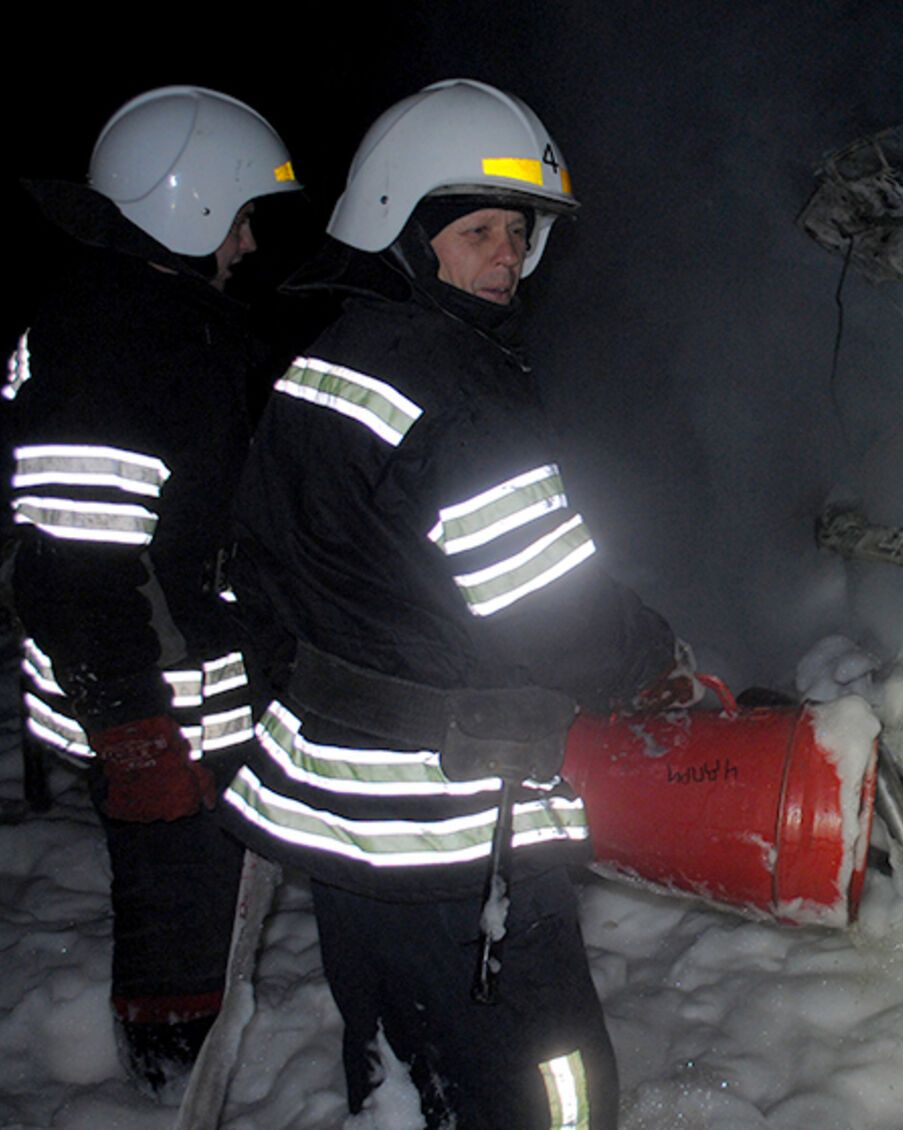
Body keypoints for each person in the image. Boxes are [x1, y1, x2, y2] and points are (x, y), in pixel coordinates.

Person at [218, 79, 679, 1130]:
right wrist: (652, 650)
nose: (506, 255)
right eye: (476, 230)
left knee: (400, 1063)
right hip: (460, 833)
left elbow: (255, 571)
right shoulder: (466, 391)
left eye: (517, 233)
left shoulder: (317, 363)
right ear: (400, 223)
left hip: (338, 818)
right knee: (549, 1085)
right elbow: (550, 611)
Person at [4, 85, 301, 1094]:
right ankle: (171, 1080)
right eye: (245, 214)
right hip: (149, 704)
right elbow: (79, 562)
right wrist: (132, 731)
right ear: (191, 204)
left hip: (184, 681)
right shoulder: (110, 340)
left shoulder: (165, 315)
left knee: (208, 899)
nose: (253, 242)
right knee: (179, 917)